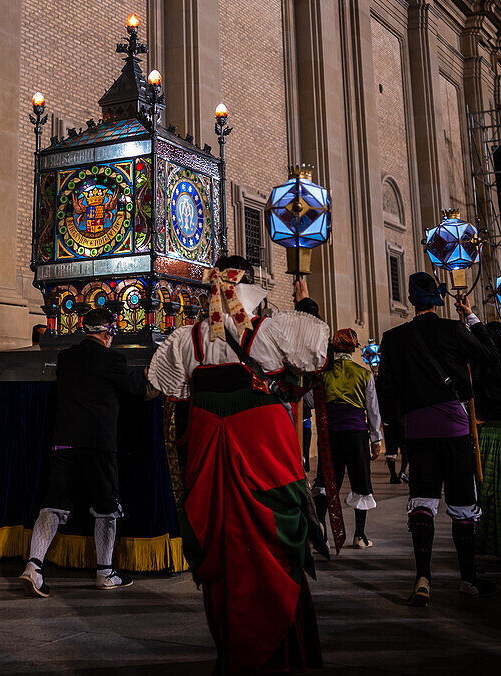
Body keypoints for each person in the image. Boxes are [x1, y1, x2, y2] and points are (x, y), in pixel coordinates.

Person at [147, 255, 330, 675]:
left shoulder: (184, 340)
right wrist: (304, 306)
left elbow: (160, 388)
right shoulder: (271, 331)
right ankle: (284, 652)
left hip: (210, 450)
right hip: (262, 451)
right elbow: (315, 356)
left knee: (222, 547)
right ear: (248, 290)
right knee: (273, 539)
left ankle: (234, 652)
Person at [377, 272, 499, 606]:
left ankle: (422, 578)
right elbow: (491, 356)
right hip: (454, 428)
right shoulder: (452, 328)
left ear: (411, 300)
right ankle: (468, 579)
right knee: (461, 504)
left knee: (423, 501)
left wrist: (397, 429)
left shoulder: (392, 338)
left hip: (416, 430)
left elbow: (385, 389)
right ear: (437, 298)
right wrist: (470, 315)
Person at [20, 305, 149, 597]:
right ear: (107, 333)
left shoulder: (66, 357)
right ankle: (105, 573)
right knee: (105, 509)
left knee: (53, 503)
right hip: (98, 444)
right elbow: (139, 391)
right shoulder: (113, 359)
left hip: (64, 439)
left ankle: (34, 566)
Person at [313, 328, 382, 550]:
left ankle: (322, 529)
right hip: (356, 435)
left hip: (329, 434)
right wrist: (376, 439)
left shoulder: (323, 374)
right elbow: (373, 410)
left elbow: (308, 401)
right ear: (353, 348)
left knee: (326, 480)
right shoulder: (364, 374)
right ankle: (359, 536)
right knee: (361, 481)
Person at [472, 319, 501, 556]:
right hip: (490, 430)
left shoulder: (481, 369)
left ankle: (489, 540)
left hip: (487, 435)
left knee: (487, 493)